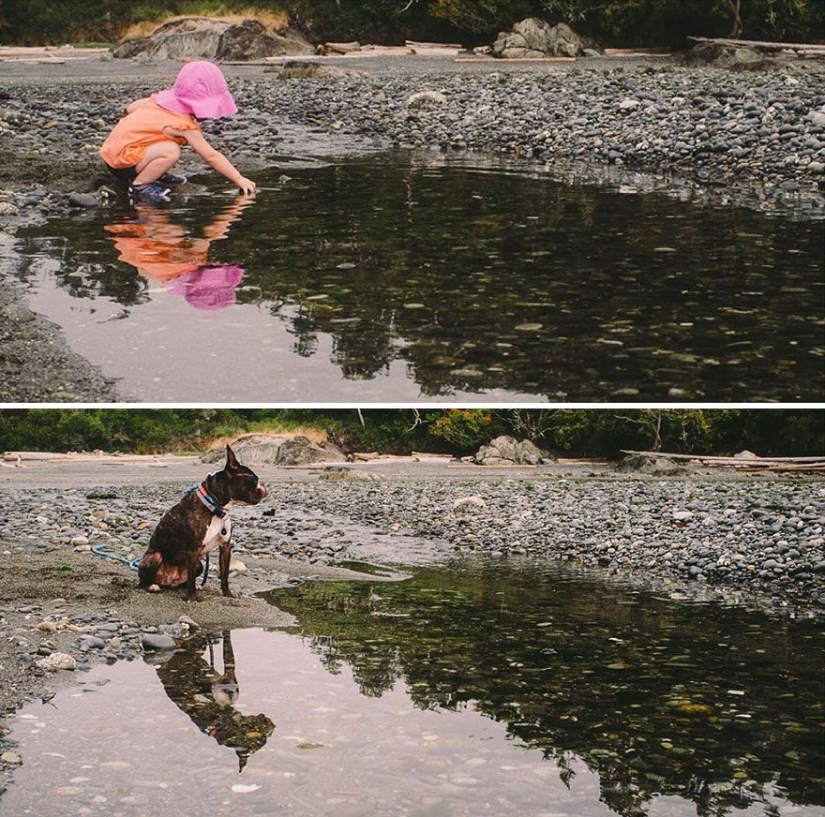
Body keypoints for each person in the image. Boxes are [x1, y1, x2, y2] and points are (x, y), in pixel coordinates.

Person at [99, 60, 256, 205]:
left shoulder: (157, 101)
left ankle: (155, 172)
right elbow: (211, 156)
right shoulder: (183, 125)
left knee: (160, 139)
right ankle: (140, 185)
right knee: (171, 150)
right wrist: (239, 178)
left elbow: (131, 108)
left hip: (111, 153)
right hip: (122, 164)